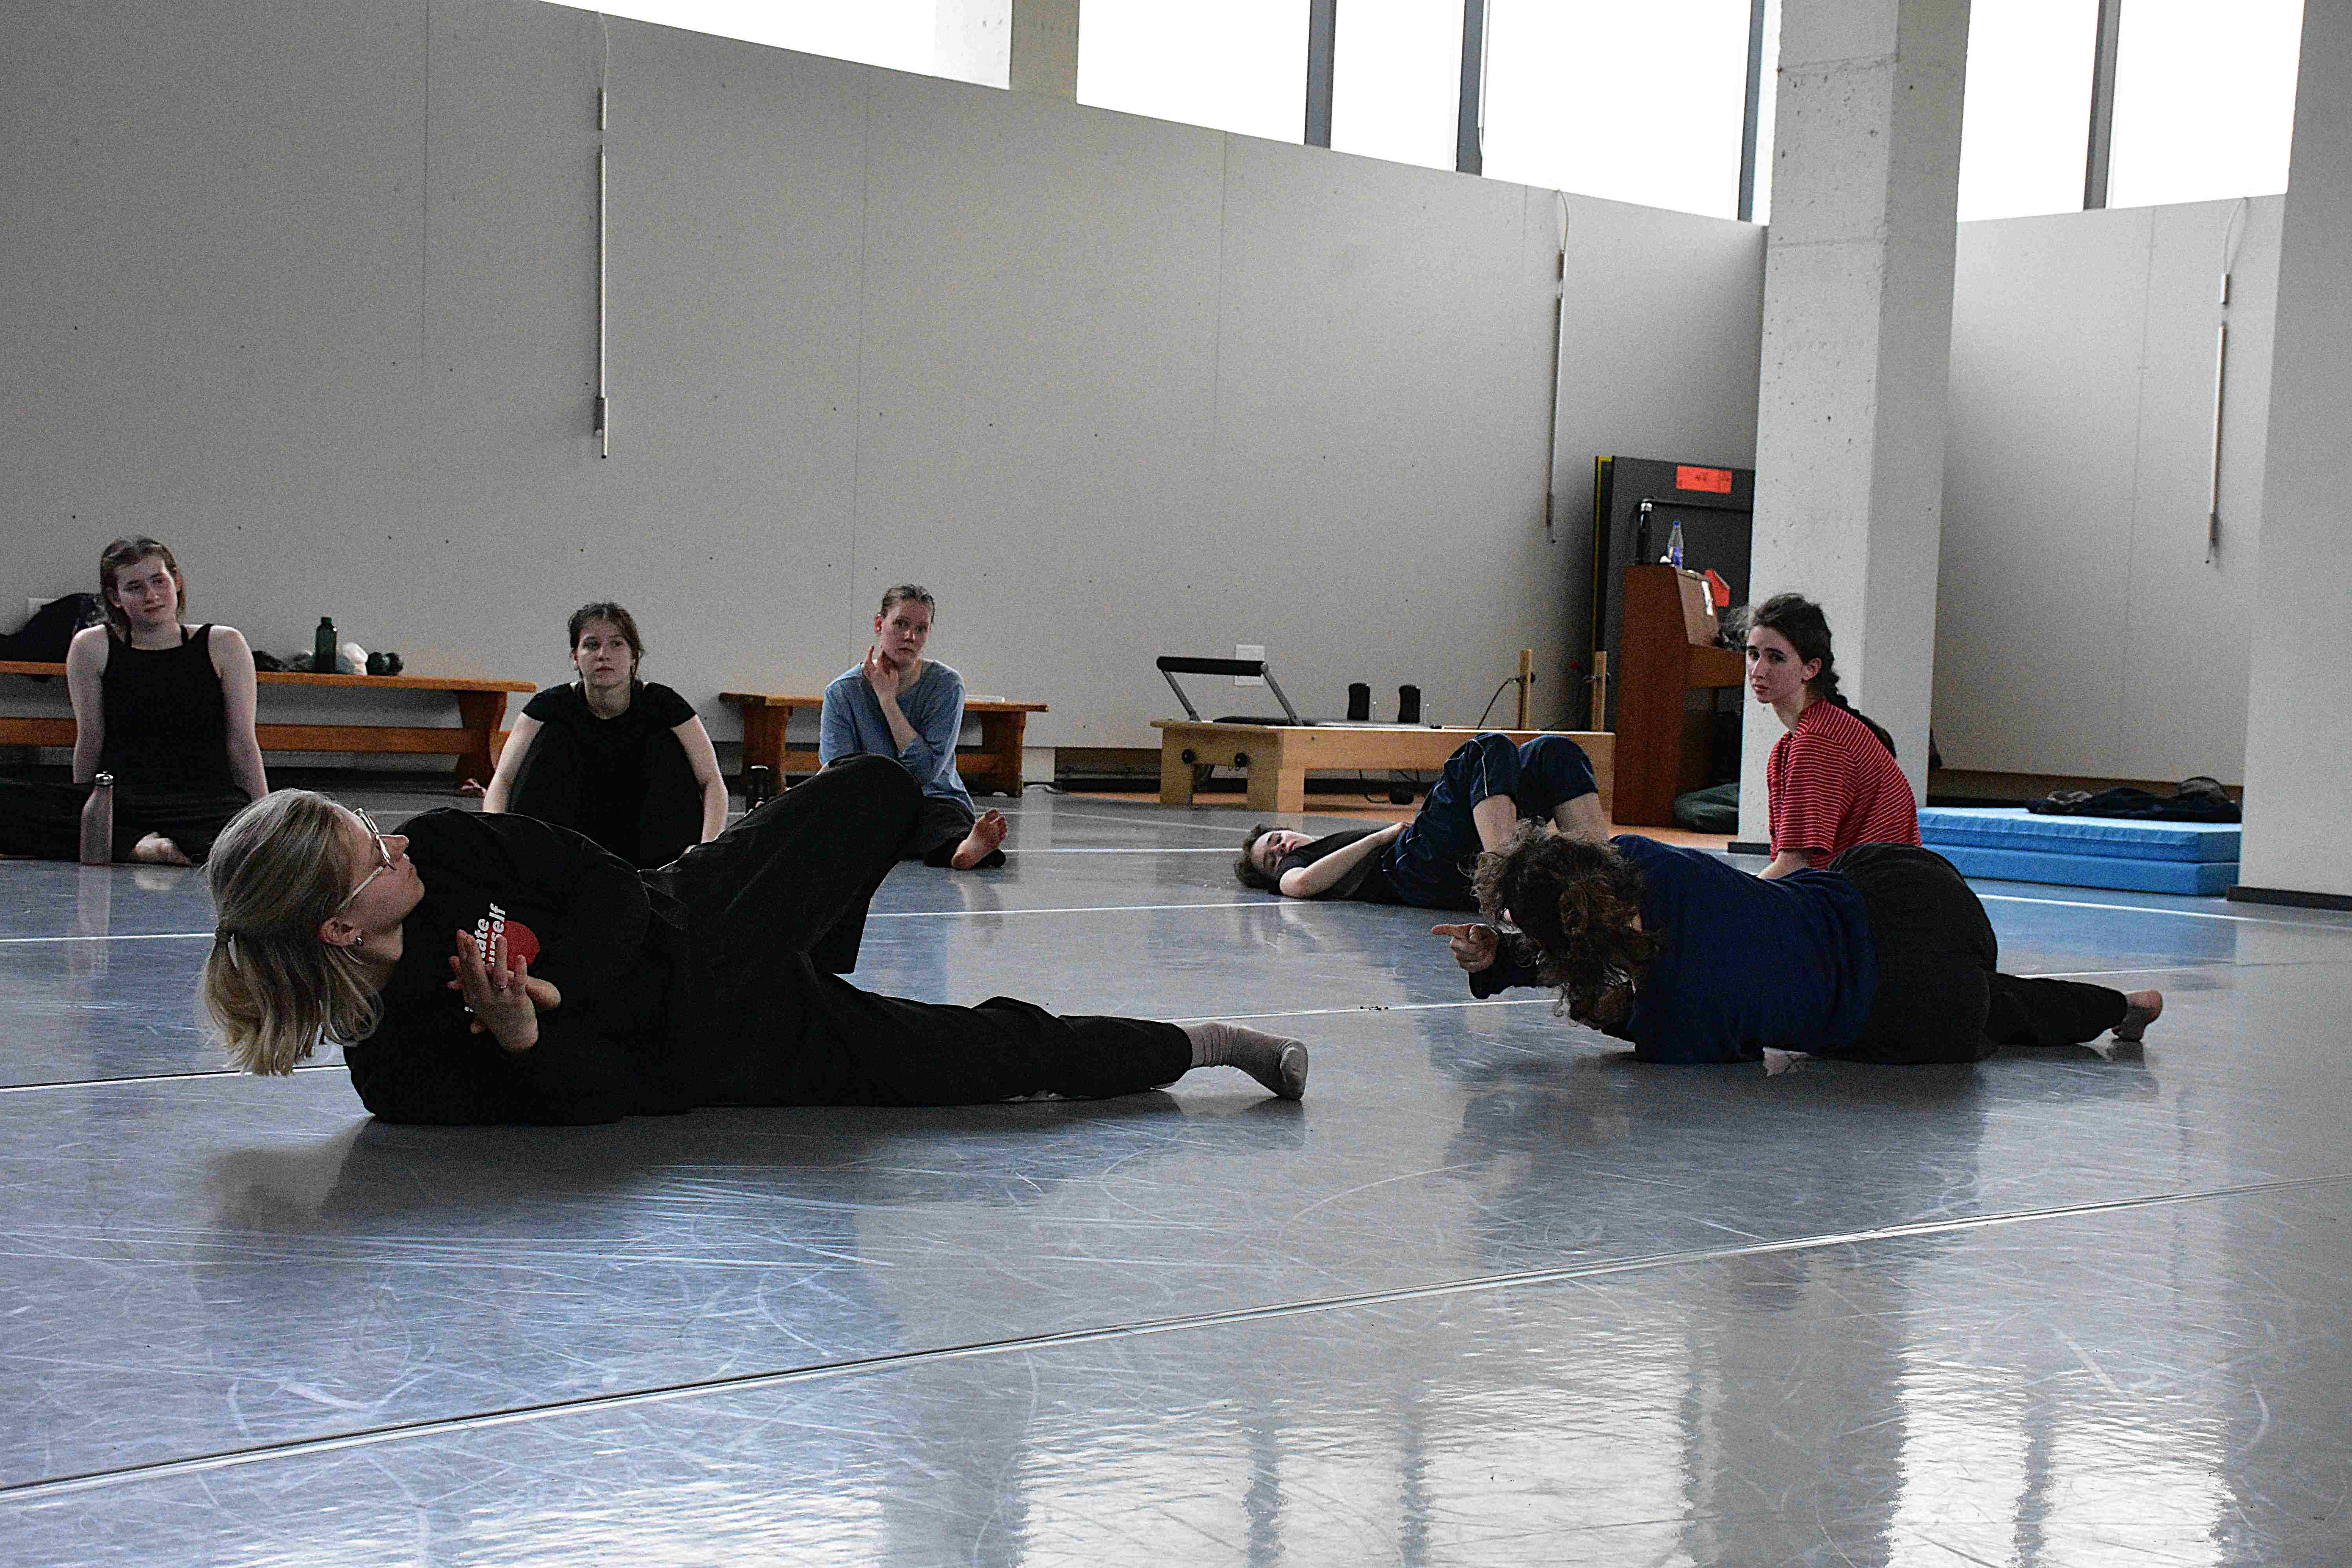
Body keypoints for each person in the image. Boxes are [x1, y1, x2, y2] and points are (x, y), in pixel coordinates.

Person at [199, 754, 1308, 1124]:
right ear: (340, 924)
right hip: (720, 1046)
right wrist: (527, 1041)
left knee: (878, 789)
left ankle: (811, 947)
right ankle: (1205, 1043)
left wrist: (556, 989)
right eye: (373, 855)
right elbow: (608, 1100)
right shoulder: (398, 1072)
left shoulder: (445, 844)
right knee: (986, 1056)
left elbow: (607, 888)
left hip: (695, 912)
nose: (397, 842)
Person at [1432, 828, 2162, 1067]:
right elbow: (1607, 937)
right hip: (1916, 892)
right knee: (1836, 900)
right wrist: (1510, 959)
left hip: (1920, 1004)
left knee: (1996, 1005)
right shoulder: (1645, 858)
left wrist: (1510, 966)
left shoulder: (1674, 1015)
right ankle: (2119, 1003)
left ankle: (2118, 1006)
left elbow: (1721, 1044)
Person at [0, 537, 265, 864]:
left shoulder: (224, 644)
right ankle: (138, 846)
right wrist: (87, 811)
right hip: (123, 800)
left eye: (159, 581)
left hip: (205, 804)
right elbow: (91, 738)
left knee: (241, 834)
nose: (151, 596)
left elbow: (242, 742)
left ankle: (129, 843)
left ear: (177, 581)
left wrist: (267, 818)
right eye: (135, 588)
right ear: (116, 597)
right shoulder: (92, 646)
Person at [477, 603, 728, 869]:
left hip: (649, 847)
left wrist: (705, 851)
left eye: (617, 644)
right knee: (555, 735)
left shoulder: (666, 705)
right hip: (567, 846)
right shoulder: (547, 707)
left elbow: (712, 781)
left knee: (661, 740)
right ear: (576, 657)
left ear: (634, 657)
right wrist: (498, 841)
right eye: (591, 645)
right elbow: (503, 780)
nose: (603, 655)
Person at [1236, 732, 1606, 910]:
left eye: (1277, 839)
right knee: (1484, 749)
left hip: (1453, 866)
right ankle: (1511, 884)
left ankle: (1602, 883)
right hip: (1412, 869)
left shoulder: (1324, 846)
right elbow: (1299, 886)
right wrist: (1380, 838)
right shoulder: (1300, 863)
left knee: (1552, 752)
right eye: (1272, 859)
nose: (1281, 849)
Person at [819, 584, 1007, 871]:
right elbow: (837, 773)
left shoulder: (946, 685)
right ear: (879, 625)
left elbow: (926, 771)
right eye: (901, 624)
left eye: (921, 629)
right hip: (871, 803)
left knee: (940, 819)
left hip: (931, 798)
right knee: (837, 821)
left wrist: (888, 701)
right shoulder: (842, 692)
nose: (910, 636)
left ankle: (964, 849)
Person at [1743, 593, 1920, 879]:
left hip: (1877, 900)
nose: (1758, 670)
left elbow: (1794, 867)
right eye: (1754, 655)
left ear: (1811, 669)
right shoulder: (1789, 747)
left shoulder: (1819, 742)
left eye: (1775, 658)